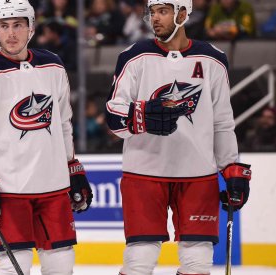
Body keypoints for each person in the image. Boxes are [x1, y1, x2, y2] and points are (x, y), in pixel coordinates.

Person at [104, 0, 252, 274]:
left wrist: (231, 167)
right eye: (152, 12)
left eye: (163, 11)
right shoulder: (133, 56)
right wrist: (144, 116)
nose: (155, 18)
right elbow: (113, 118)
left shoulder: (213, 59)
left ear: (183, 14)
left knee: (197, 261)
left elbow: (222, 121)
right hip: (144, 171)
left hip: (198, 173)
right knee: (140, 259)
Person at [0, 0, 93, 274]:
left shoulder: (53, 65)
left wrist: (71, 167)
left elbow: (63, 121)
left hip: (53, 186)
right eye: (4, 26)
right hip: (8, 190)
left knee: (62, 263)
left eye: (18, 25)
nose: (11, 33)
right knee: (15, 264)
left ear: (31, 28)